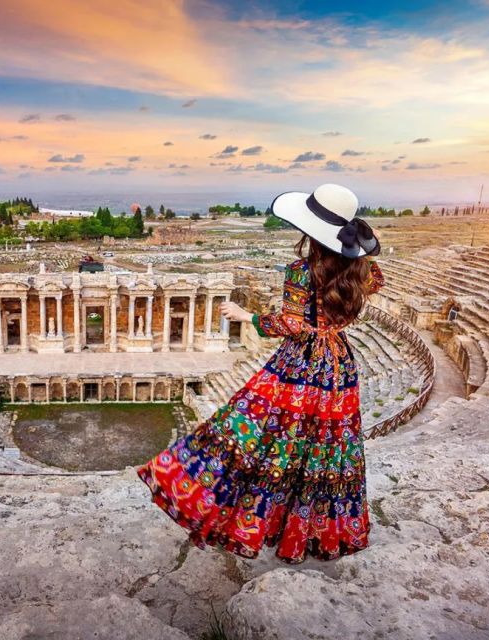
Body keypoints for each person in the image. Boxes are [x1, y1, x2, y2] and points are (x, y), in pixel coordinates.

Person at [137, 183, 385, 564]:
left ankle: (218, 502)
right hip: (338, 365)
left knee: (252, 432)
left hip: (300, 365)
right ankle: (313, 534)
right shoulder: (365, 271)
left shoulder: (302, 272)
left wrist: (247, 317)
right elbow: (368, 290)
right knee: (326, 449)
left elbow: (291, 324)